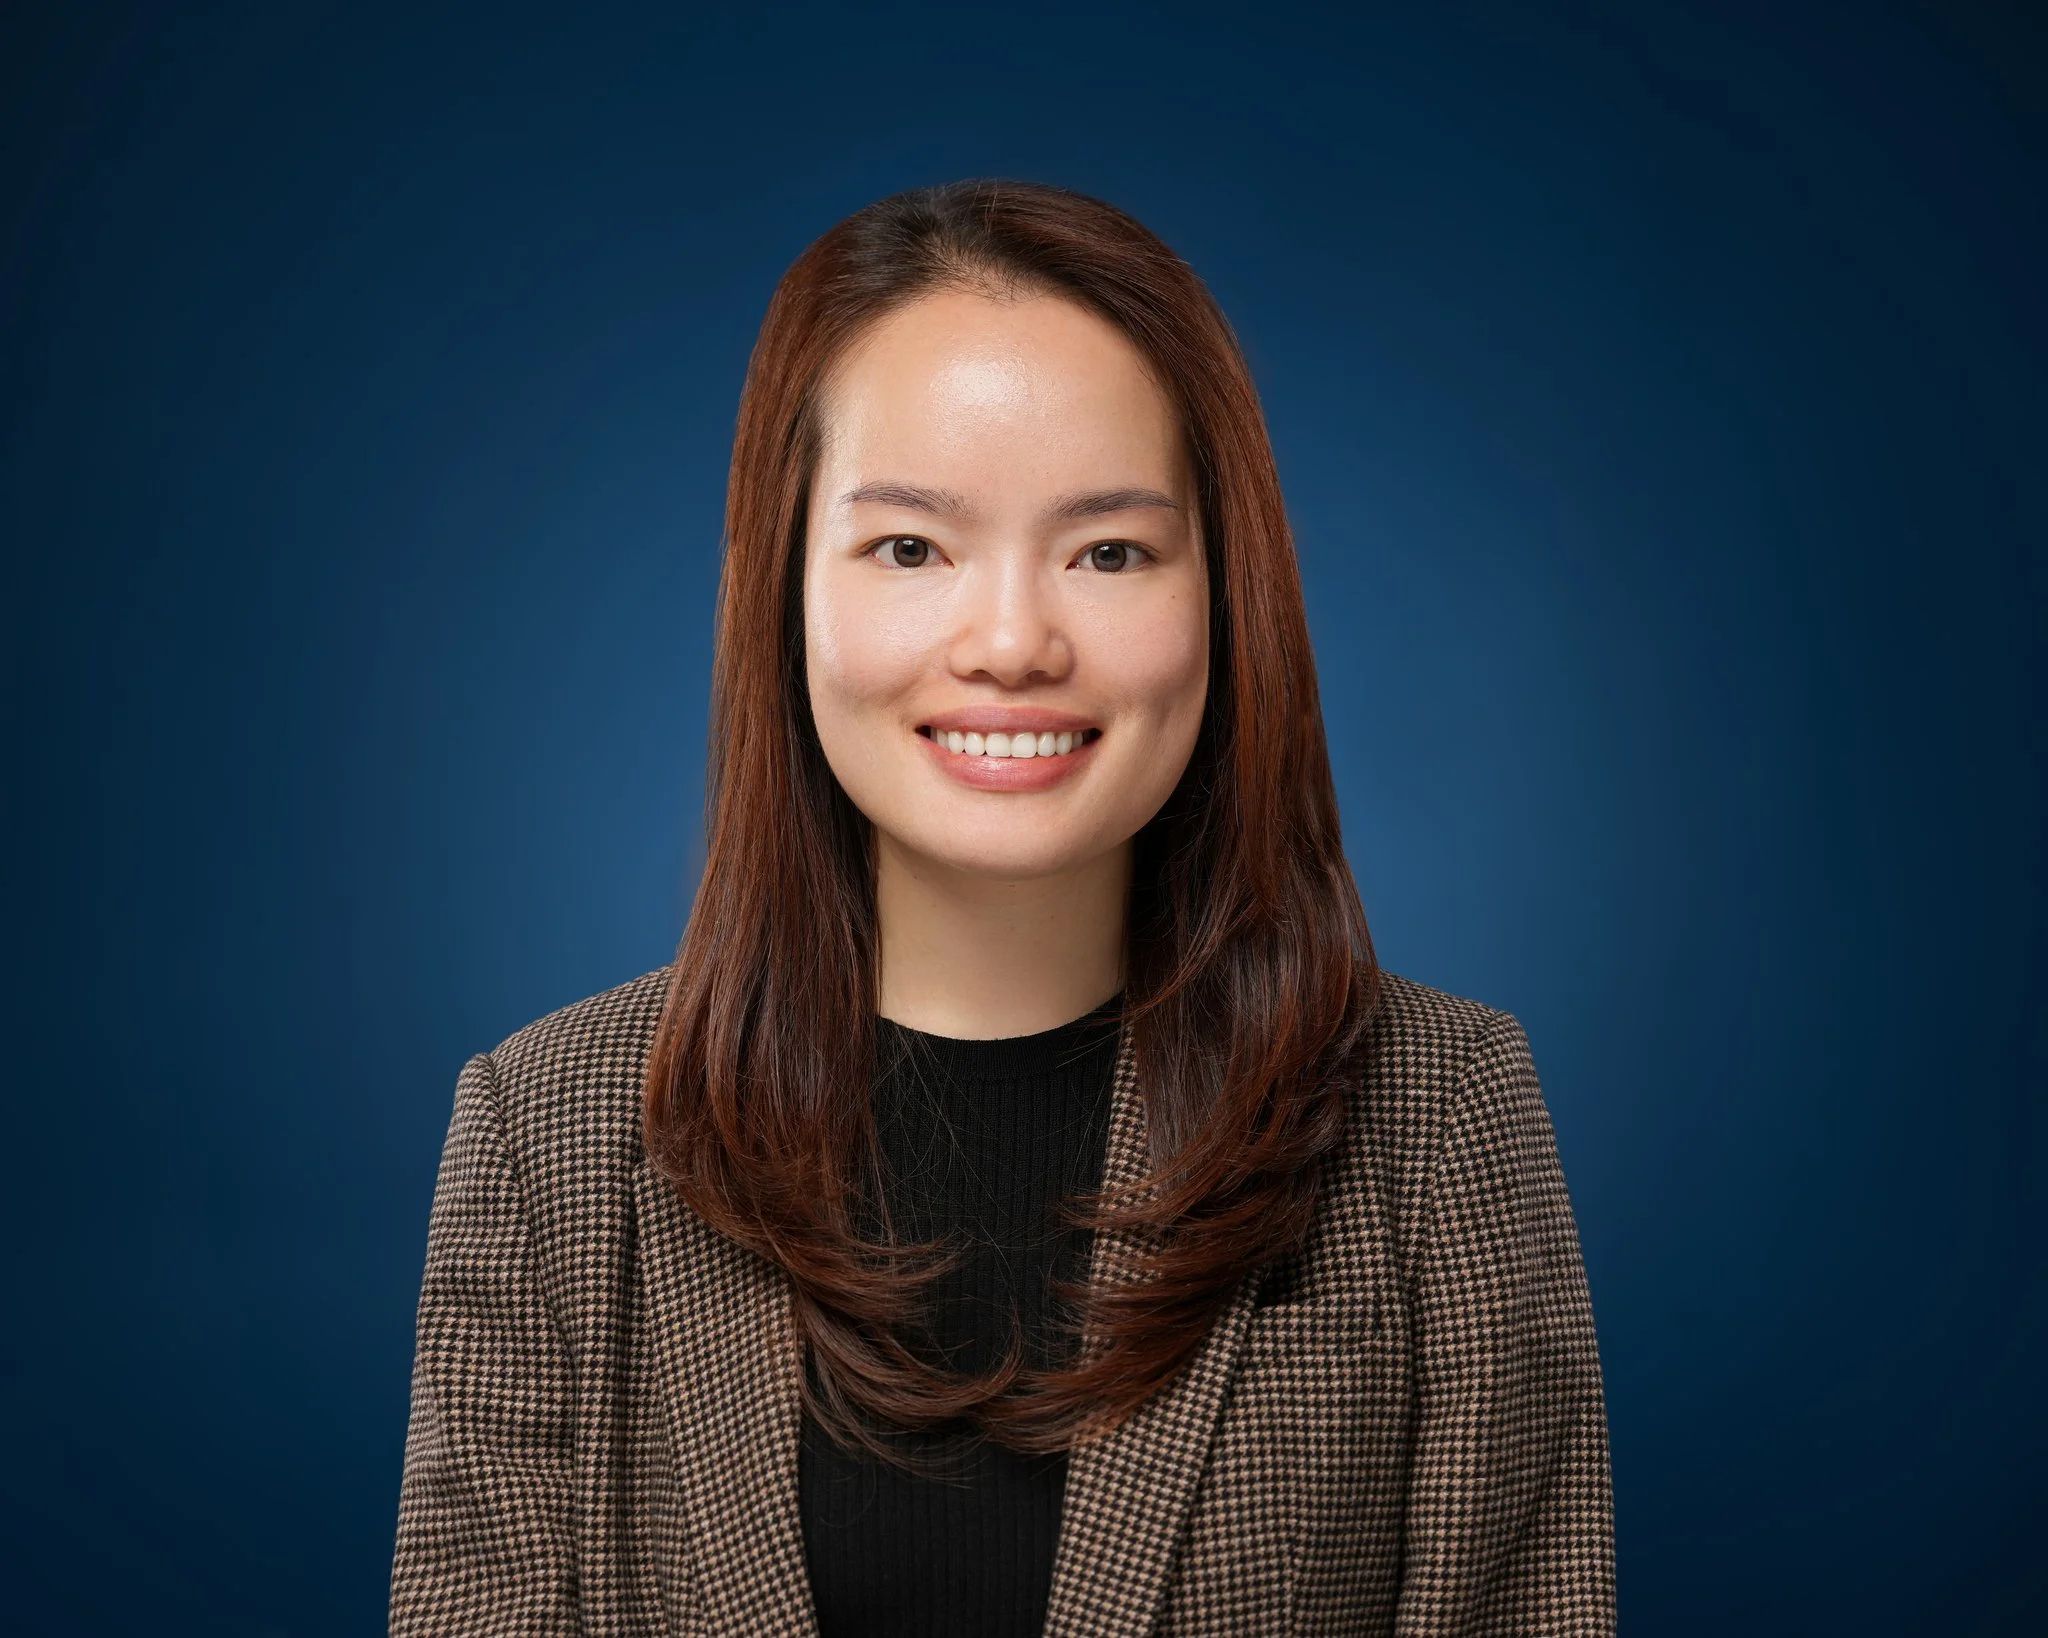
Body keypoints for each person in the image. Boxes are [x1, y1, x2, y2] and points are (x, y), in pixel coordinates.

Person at [389, 178, 1616, 1636]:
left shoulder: (1439, 1113)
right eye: (911, 547)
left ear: (1227, 595)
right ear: (782, 589)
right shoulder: (548, 1136)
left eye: (1110, 551)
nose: (1015, 642)